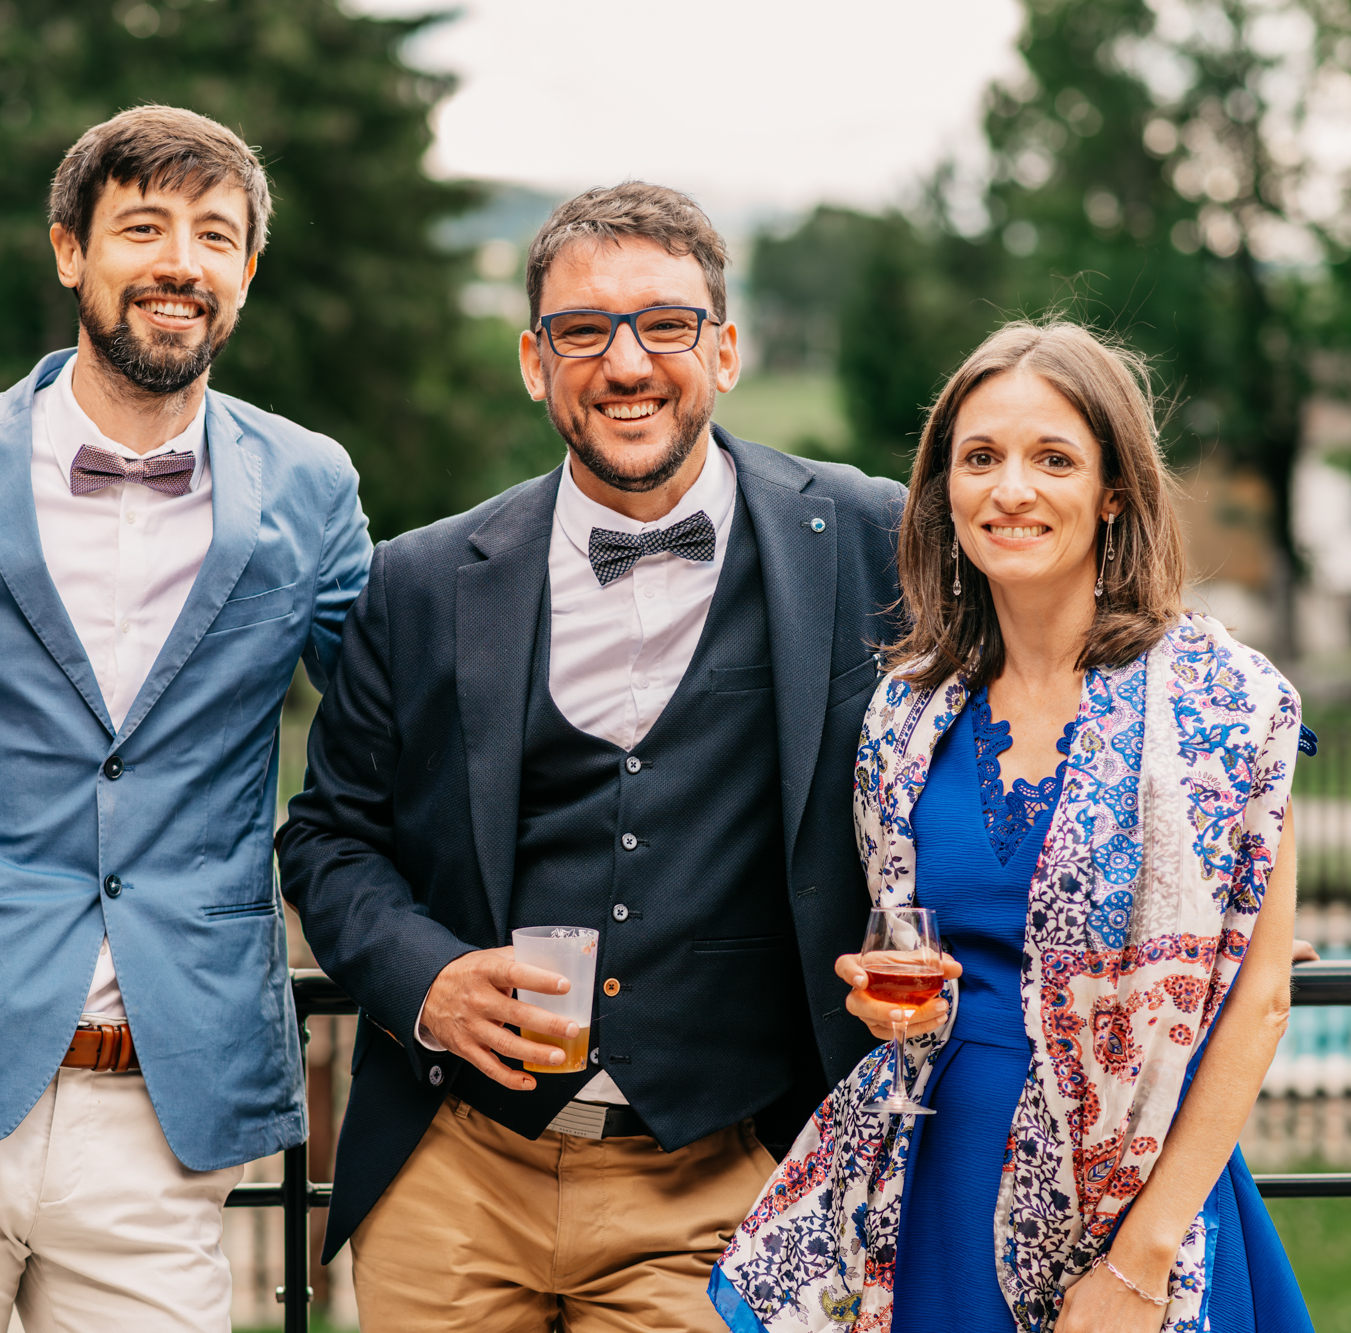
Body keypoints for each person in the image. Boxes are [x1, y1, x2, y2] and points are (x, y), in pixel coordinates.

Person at [0, 106, 370, 1333]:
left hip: (164, 1105)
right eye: (143, 227)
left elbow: (403, 713)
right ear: (68, 251)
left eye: (214, 235)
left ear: (246, 272)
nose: (180, 263)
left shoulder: (310, 483)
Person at [274, 181, 905, 1331]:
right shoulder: (419, 582)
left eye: (664, 324)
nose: (625, 364)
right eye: (582, 331)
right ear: (533, 360)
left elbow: (1046, 659)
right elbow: (327, 836)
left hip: (719, 1181)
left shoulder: (868, 536)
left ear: (724, 350)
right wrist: (426, 980)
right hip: (454, 1176)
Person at [714, 321, 1315, 1333]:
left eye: (1054, 459)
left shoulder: (1226, 702)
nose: (1011, 489)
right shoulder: (904, 713)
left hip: (1135, 1196)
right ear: (943, 488)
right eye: (980, 457)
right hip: (933, 1183)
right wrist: (884, 1000)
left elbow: (1258, 1001)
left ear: (1113, 489)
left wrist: (1141, 1261)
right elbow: (902, 947)